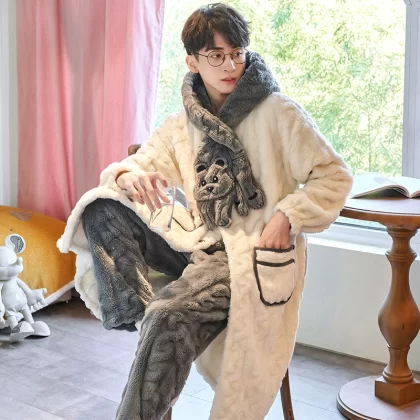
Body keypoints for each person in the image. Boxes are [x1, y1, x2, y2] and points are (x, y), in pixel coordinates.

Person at [58, 3, 353, 420]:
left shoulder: (279, 112)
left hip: (250, 255)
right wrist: (127, 176)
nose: (230, 65)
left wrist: (288, 216)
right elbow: (141, 164)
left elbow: (335, 176)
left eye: (237, 53)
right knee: (101, 205)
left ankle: (158, 330)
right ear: (192, 61)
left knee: (167, 316)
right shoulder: (183, 123)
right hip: (199, 243)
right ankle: (138, 314)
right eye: (216, 56)